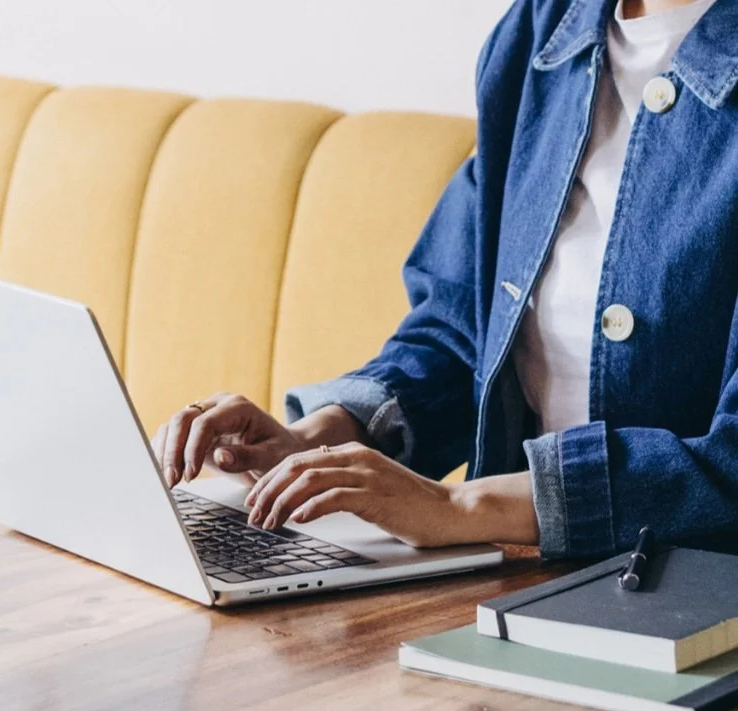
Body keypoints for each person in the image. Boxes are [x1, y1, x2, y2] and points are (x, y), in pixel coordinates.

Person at [152, 0, 738, 559]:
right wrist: (319, 441)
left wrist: (459, 505)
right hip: (526, 576)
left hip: (695, 603)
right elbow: (466, 329)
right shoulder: (541, 32)